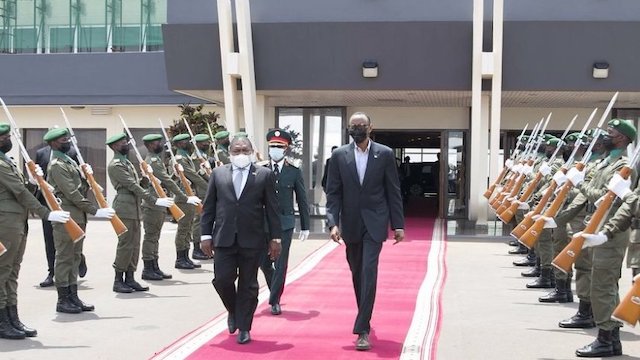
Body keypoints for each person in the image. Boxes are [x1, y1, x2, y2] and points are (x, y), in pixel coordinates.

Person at [325, 112, 405, 351]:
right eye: (353, 126)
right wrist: (333, 223)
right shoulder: (339, 155)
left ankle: (362, 329)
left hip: (375, 222)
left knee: (369, 271)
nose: (357, 129)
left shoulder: (385, 154)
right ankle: (365, 314)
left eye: (361, 125)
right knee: (357, 272)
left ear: (371, 127)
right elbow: (333, 192)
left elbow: (393, 190)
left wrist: (397, 224)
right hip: (350, 223)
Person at [200, 135, 281, 345]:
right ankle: (233, 309)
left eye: (245, 151)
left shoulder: (264, 175)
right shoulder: (218, 174)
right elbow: (209, 208)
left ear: (252, 152)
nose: (241, 154)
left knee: (249, 284)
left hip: (252, 239)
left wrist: (276, 238)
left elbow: (273, 210)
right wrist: (205, 235)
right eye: (236, 151)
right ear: (229, 153)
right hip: (224, 238)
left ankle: (244, 326)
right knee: (222, 279)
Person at [0, 122, 70, 339]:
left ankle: (12, 317)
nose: (8, 140)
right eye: (4, 137)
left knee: (12, 272)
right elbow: (19, 192)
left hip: (17, 221)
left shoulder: (7, 162)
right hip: (5, 222)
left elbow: (22, 189)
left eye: (8, 136)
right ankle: (2, 322)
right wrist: (46, 213)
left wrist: (35, 181)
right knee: (2, 272)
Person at [44, 127, 116, 313]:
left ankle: (73, 296)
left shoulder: (69, 162)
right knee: (64, 257)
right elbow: (72, 193)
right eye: (62, 140)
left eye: (67, 138)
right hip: (67, 216)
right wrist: (94, 210)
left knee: (75, 257)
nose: (67, 141)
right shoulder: (58, 165)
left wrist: (86, 177)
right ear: (53, 143)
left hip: (78, 216)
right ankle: (63, 299)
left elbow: (79, 187)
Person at [106, 133, 173, 293]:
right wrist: (154, 200)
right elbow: (132, 186)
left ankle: (130, 278)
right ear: (115, 146)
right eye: (122, 142)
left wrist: (145, 177)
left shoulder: (126, 162)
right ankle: (118, 280)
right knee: (125, 245)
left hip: (134, 207)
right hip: (124, 207)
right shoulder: (115, 165)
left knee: (135, 245)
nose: (125, 144)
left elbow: (137, 184)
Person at [258, 129, 310, 315]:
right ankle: (275, 287)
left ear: (286, 149)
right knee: (263, 262)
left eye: (279, 146)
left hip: (284, 223)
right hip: (262, 222)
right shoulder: (260, 169)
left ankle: (274, 299)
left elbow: (302, 199)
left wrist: (305, 225)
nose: (275, 149)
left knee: (280, 262)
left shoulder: (293, 171)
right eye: (272, 146)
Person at [35, 144, 87, 287]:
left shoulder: (71, 151)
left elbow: (78, 178)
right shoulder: (41, 153)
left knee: (71, 241)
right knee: (49, 238)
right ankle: (52, 272)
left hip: (67, 202)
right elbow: (38, 176)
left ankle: (77, 264)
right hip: (47, 201)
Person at [140, 134, 188, 279]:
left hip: (159, 203)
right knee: (151, 237)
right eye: (156, 143)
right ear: (149, 146)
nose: (160, 145)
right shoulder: (153, 161)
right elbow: (166, 180)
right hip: (152, 204)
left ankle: (155, 266)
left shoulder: (157, 160)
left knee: (155, 237)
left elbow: (165, 179)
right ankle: (148, 269)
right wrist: (184, 197)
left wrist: (175, 174)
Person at [172, 133, 204, 265]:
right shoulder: (179, 159)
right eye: (185, 141)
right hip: (183, 197)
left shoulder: (185, 157)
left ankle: (185, 257)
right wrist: (210, 186)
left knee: (188, 227)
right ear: (179, 144)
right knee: (183, 228)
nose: (189, 143)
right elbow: (192, 175)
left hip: (190, 195)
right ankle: (180, 258)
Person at [191, 134, 213, 260]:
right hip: (201, 192)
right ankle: (196, 249)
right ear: (198, 144)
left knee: (206, 220)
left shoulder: (204, 156)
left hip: (207, 191)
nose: (207, 144)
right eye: (204, 142)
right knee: (199, 220)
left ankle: (205, 248)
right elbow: (197, 176)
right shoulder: (195, 158)